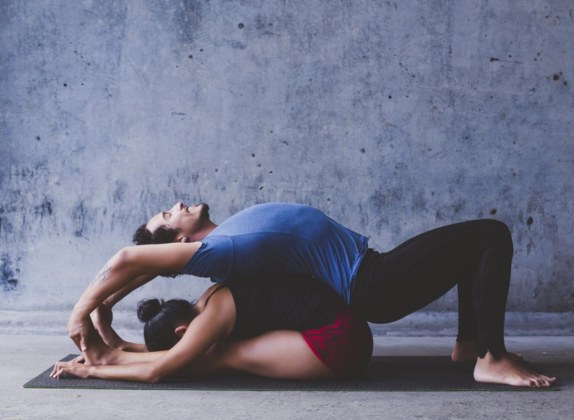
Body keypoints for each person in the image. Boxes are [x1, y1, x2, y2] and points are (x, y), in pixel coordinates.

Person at [67, 202, 556, 387]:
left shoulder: (223, 241)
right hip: (371, 283)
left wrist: (108, 310)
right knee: (490, 235)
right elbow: (128, 260)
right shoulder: (219, 253)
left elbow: (139, 270)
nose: (174, 206)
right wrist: (84, 313)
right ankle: (489, 357)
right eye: (167, 218)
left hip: (371, 274)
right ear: (178, 243)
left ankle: (470, 345)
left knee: (472, 247)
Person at [53, 276, 373, 382]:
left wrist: (92, 372)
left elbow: (160, 370)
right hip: (344, 327)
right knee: (214, 351)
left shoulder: (214, 316)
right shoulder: (210, 297)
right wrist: (126, 347)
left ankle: (109, 359)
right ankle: (117, 354)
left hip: (342, 343)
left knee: (222, 355)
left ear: (182, 331)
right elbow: (182, 350)